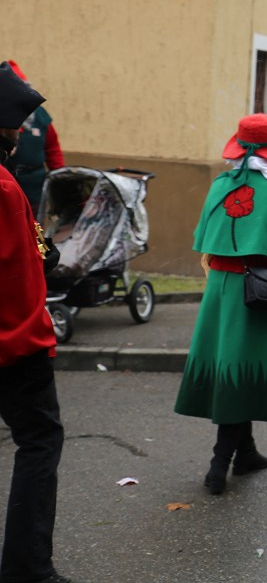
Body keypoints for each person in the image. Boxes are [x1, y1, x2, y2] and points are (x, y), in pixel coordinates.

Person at [174, 113, 267, 495]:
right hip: (258, 288)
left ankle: (247, 453)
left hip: (220, 288)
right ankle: (218, 464)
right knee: (243, 372)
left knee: (235, 366)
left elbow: (202, 235)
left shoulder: (221, 184)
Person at [0, 61, 78, 583]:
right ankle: (28, 569)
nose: (17, 134)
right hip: (14, 340)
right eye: (13, 125)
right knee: (39, 441)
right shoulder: (6, 188)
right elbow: (30, 258)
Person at [6, 61, 64, 214]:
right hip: (7, 187)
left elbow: (52, 149)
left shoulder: (39, 115)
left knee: (37, 230)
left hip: (35, 188)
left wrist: (61, 179)